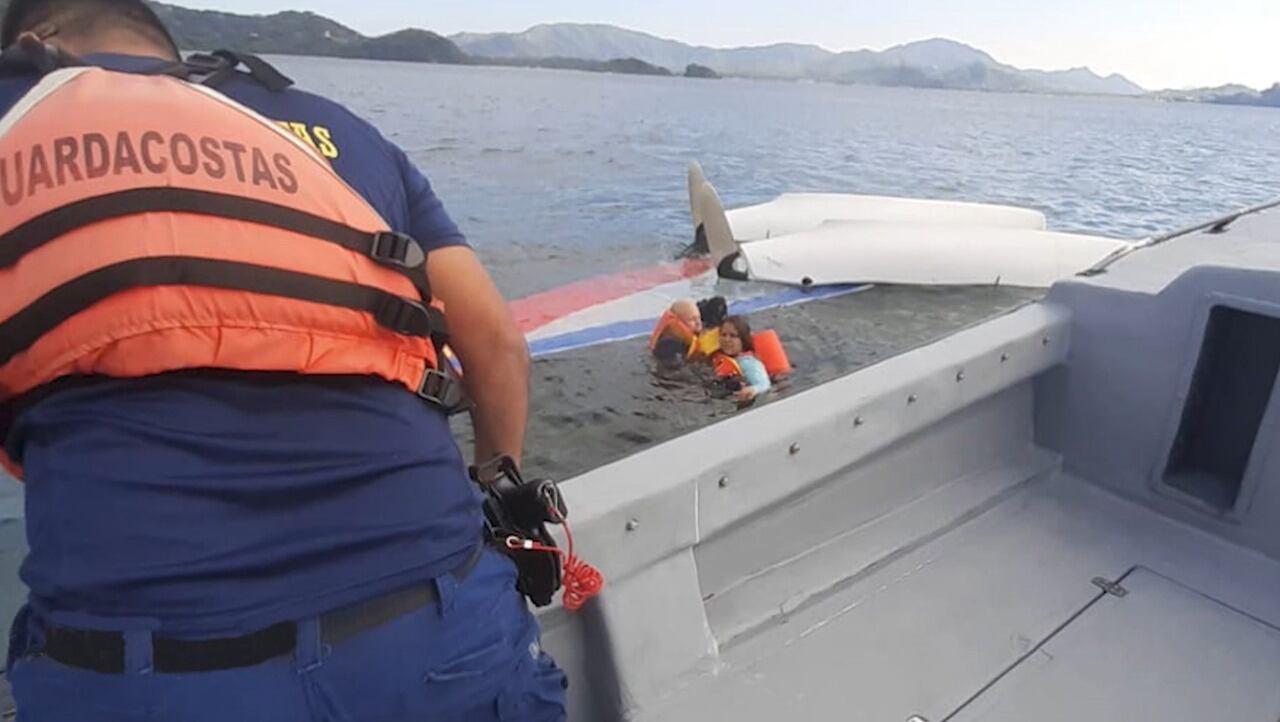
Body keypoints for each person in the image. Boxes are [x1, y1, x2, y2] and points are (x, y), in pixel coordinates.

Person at [0, 1, 565, 720]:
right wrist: (497, 488)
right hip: (445, 633)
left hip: (152, 673)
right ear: (172, 51)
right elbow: (496, 345)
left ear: (30, 46)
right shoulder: (333, 128)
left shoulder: (16, 113)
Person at [716, 315, 772, 403]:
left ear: (743, 340)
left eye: (733, 336)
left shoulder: (748, 363)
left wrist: (752, 390)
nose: (726, 339)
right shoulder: (721, 357)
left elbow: (764, 384)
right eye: (723, 335)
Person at [648, 298, 704, 365]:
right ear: (678, 322)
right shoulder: (669, 344)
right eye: (692, 319)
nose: (698, 323)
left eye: (699, 318)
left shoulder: (690, 337)